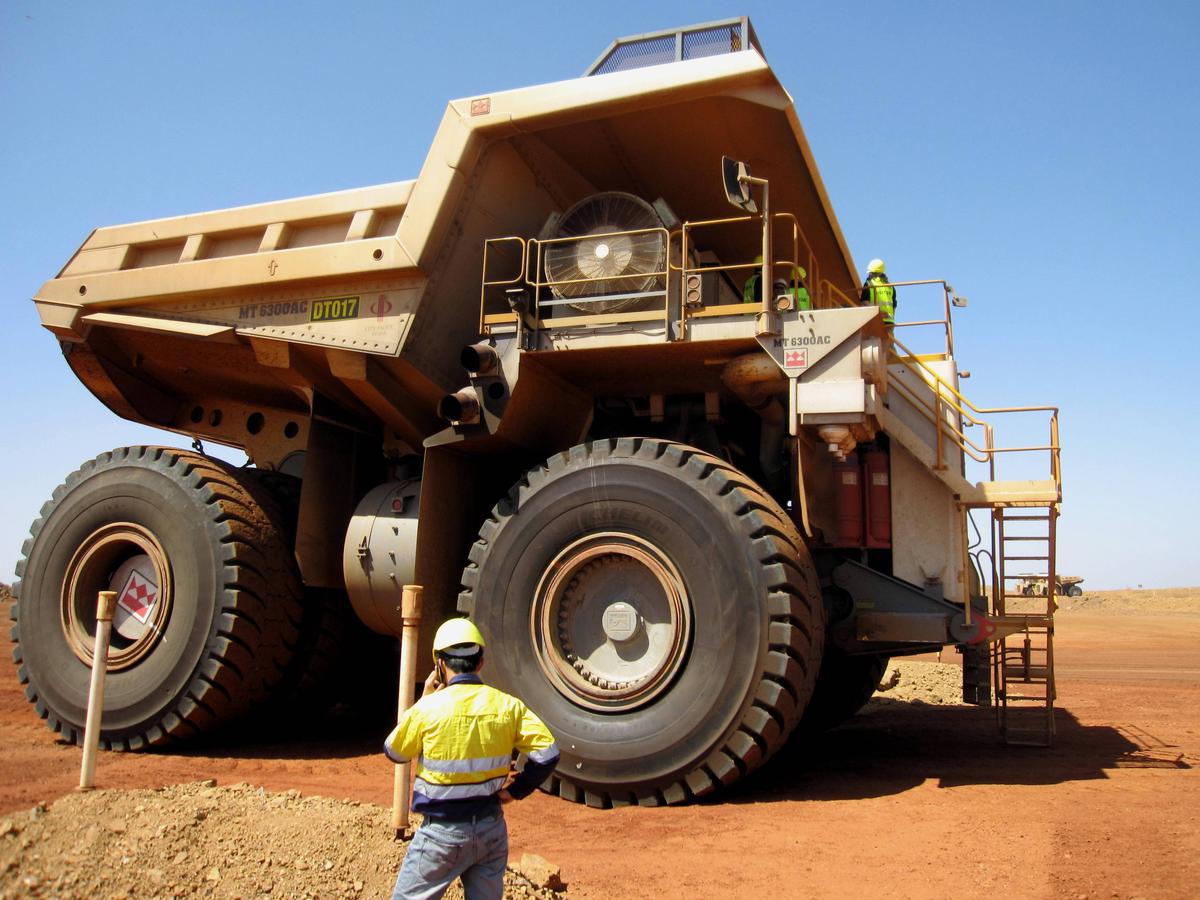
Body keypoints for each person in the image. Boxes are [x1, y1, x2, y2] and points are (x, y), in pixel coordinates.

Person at [384, 618, 560, 900]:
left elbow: (394, 751)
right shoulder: (507, 706)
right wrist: (516, 791)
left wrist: (424, 698)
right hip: (491, 830)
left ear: (439, 665)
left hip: (441, 836)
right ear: (480, 663)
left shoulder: (429, 709)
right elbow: (548, 754)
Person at [860, 258, 896, 325]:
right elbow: (894, 305)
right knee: (888, 336)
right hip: (889, 321)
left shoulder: (869, 284)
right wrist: (890, 316)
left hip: (875, 320)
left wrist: (879, 313)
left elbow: (865, 302)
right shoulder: (890, 286)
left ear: (871, 272)